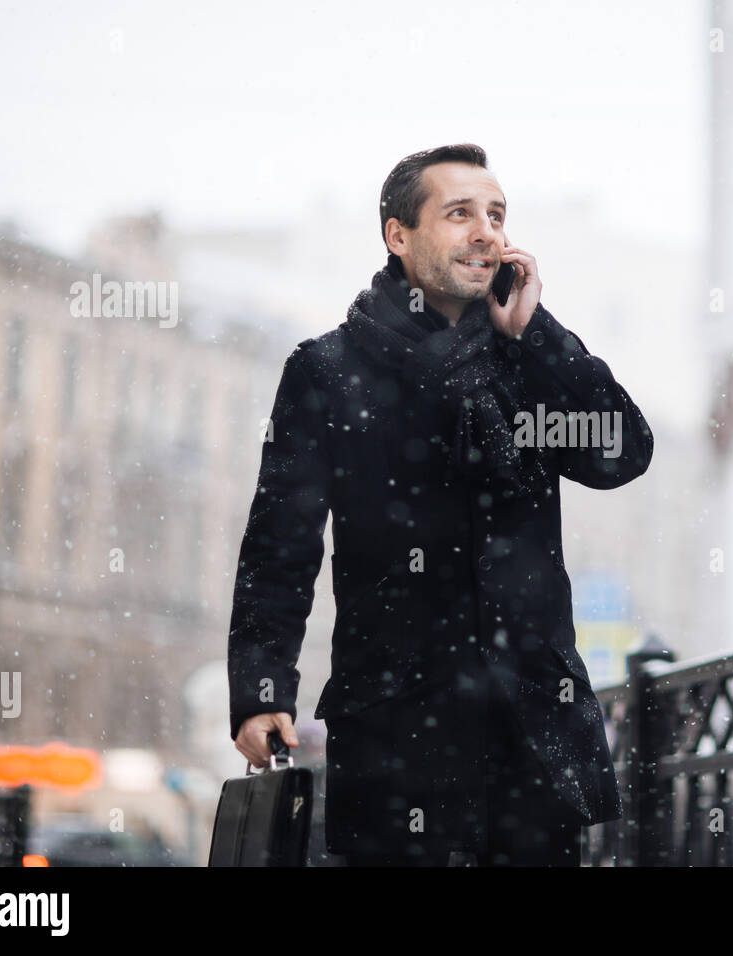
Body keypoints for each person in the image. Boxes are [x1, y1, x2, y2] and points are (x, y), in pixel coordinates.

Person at [226, 143, 653, 865]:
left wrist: (538, 336)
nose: (487, 231)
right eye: (460, 213)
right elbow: (280, 545)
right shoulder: (328, 372)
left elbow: (620, 454)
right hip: (396, 732)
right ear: (399, 235)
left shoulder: (524, 359)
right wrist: (263, 688)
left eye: (497, 214)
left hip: (531, 731)